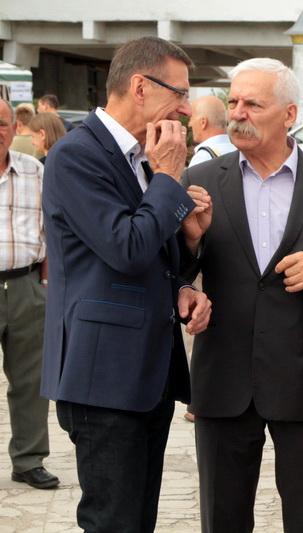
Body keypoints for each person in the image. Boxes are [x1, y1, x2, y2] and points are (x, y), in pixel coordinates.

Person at [182, 57, 303, 533]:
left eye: (253, 104)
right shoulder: (200, 181)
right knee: (222, 518)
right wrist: (192, 244)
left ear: (289, 114)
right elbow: (175, 269)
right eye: (233, 102)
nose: (238, 113)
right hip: (223, 378)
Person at [40, 36, 213, 532]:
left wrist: (188, 252)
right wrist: (169, 178)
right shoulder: (77, 155)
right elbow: (126, 247)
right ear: (140, 87)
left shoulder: (142, 155)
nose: (186, 108)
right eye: (179, 93)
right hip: (103, 378)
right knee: (113, 522)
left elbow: (150, 261)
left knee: (138, 521)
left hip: (146, 374)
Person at [0, 98, 58, 490]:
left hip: (26, 286)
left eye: (2, 123)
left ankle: (28, 459)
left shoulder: (35, 171)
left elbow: (50, 230)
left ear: (14, 128)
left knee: (31, 380)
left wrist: (45, 284)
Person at [188, 95, 236, 167]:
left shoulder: (203, 157)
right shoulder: (241, 152)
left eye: (191, 118)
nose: (189, 124)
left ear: (203, 122)